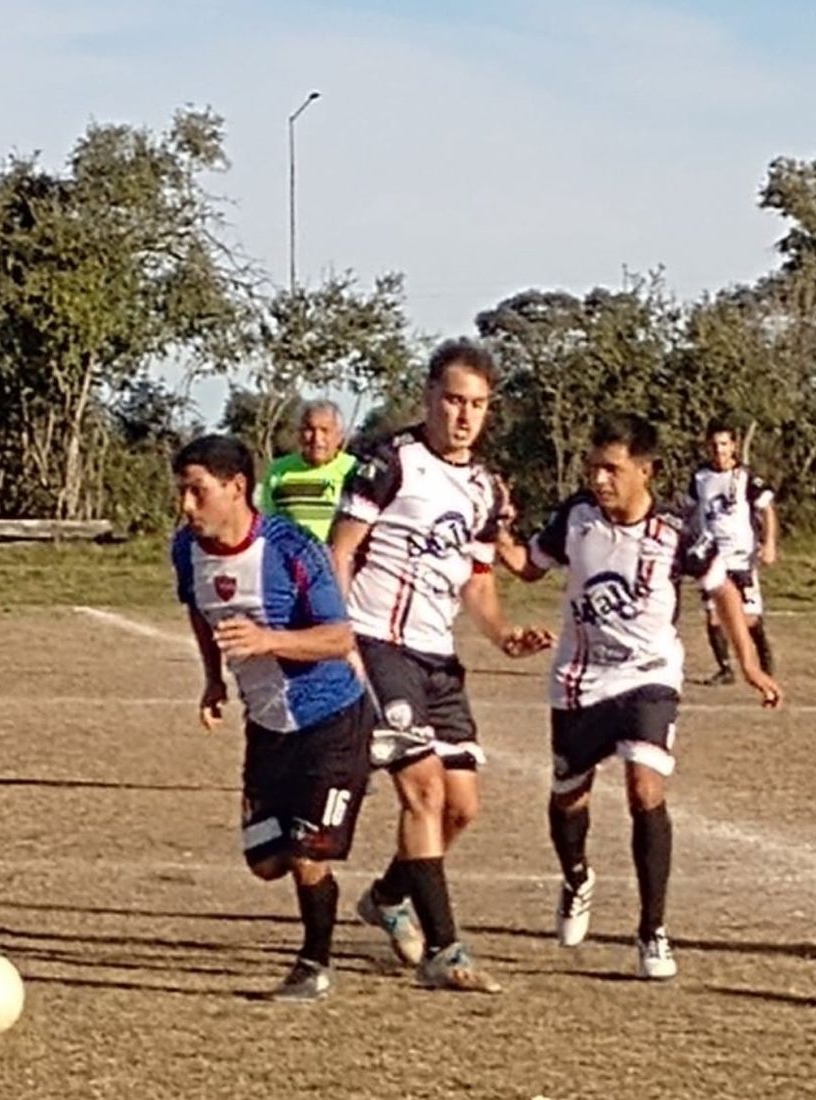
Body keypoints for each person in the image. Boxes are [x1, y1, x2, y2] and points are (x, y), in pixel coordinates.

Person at [495, 413, 783, 980]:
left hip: (650, 675)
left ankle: (653, 931)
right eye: (594, 467)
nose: (600, 479)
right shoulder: (575, 517)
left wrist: (748, 662)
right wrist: (494, 531)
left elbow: (720, 588)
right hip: (579, 678)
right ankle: (577, 877)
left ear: (644, 471)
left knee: (643, 786)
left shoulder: (678, 528)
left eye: (613, 469)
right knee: (567, 798)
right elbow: (529, 568)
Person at [328, 338, 551, 994]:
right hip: (378, 643)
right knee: (422, 791)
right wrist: (340, 640)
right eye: (453, 399)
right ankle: (445, 949)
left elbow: (477, 580)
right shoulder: (388, 462)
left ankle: (390, 897)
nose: (463, 415)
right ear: (428, 396)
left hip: (438, 657)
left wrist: (503, 632)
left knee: (462, 807)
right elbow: (339, 552)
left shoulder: (484, 486)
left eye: (477, 405)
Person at [171, 433, 375, 1003]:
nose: (187, 506)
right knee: (266, 861)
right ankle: (382, 893)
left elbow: (339, 637)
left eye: (197, 491)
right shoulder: (186, 549)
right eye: (183, 492)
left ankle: (314, 966)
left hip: (332, 719)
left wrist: (267, 639)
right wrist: (213, 677)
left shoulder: (292, 549)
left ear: (236, 488)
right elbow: (198, 608)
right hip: (268, 725)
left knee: (309, 852)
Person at [688, 419, 778, 684]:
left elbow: (767, 509)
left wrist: (769, 542)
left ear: (734, 446)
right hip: (712, 555)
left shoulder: (745, 477)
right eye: (714, 445)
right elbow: (689, 510)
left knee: (749, 618)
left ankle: (764, 664)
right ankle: (725, 669)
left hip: (741, 555)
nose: (719, 450)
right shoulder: (700, 477)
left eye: (724, 444)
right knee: (714, 614)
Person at [259, 400, 357, 542]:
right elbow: (268, 522)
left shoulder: (353, 470)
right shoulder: (278, 471)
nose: (317, 439)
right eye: (309, 430)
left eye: (325, 430)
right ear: (299, 434)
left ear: (339, 436)